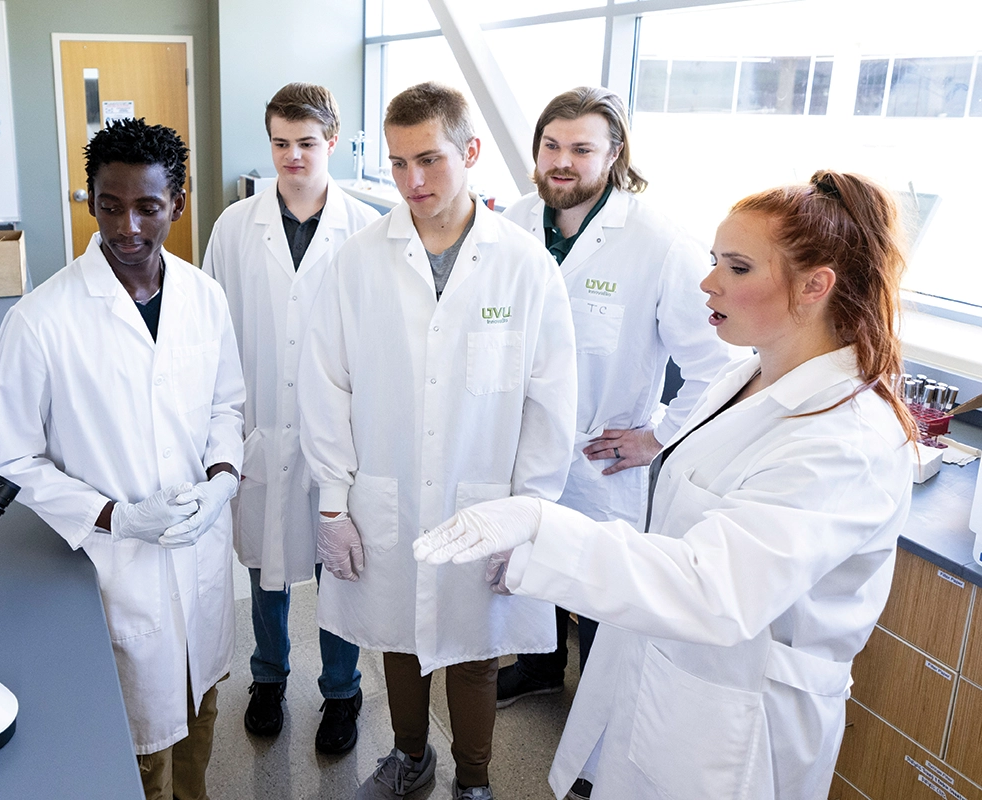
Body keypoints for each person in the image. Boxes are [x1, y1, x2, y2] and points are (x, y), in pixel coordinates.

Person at [414, 170, 916, 800]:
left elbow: (714, 588)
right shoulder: (746, 377)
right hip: (664, 675)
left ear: (815, 286)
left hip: (739, 723)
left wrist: (544, 528)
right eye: (714, 261)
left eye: (736, 268)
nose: (708, 282)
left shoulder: (848, 438)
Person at [298, 82, 578, 800]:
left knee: (476, 649)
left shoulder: (523, 265)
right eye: (397, 164)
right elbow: (326, 384)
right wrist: (332, 501)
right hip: (382, 486)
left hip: (483, 493)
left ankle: (475, 783)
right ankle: (412, 759)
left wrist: (531, 515)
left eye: (429, 160)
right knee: (396, 633)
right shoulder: (359, 261)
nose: (412, 182)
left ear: (472, 152)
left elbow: (550, 404)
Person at [0, 118, 244, 800]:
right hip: (113, 569)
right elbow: (10, 458)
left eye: (148, 206)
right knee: (138, 746)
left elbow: (226, 408)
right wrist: (116, 517)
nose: (127, 226)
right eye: (110, 205)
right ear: (89, 201)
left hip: (199, 554)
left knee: (200, 710)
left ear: (178, 204)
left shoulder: (205, 299)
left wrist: (221, 482)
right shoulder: (41, 319)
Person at [498, 86, 736, 712]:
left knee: (604, 593)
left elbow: (718, 365)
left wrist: (658, 435)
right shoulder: (514, 224)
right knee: (532, 565)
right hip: (520, 446)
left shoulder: (660, 244)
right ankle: (539, 666)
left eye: (581, 148)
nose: (562, 161)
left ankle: (600, 725)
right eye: (551, 145)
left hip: (600, 460)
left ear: (615, 154)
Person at [203, 82, 380, 753]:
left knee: (341, 566)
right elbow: (214, 333)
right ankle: (269, 677)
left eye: (307, 143)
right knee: (265, 566)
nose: (293, 156)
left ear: (332, 141)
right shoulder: (234, 226)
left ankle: (342, 690)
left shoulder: (365, 229)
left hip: (342, 433)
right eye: (281, 143)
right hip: (262, 426)